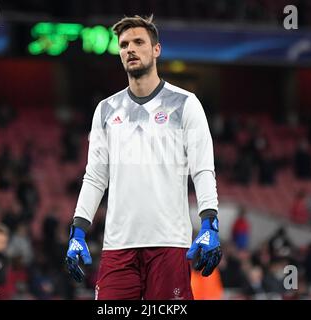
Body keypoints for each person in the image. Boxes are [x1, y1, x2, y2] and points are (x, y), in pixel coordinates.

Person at [65, 15, 221, 300]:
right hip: (117, 246)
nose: (130, 49)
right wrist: (78, 230)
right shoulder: (105, 109)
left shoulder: (186, 103)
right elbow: (95, 176)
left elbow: (202, 169)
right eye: (124, 45)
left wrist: (210, 221)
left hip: (169, 243)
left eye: (138, 42)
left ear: (156, 49)